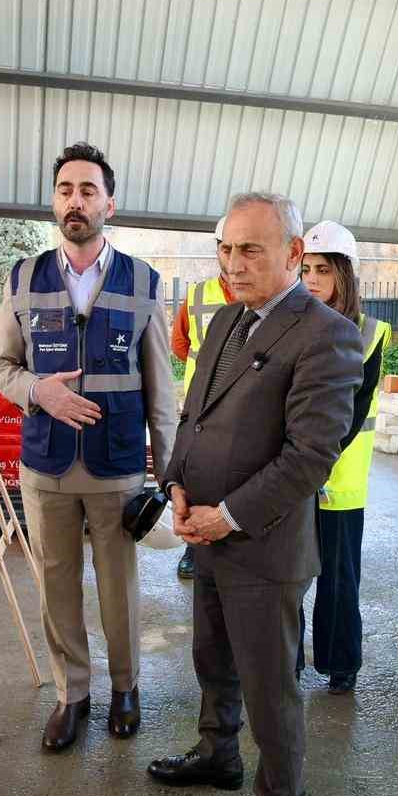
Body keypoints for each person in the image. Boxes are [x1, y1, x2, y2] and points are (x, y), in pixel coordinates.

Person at [147, 192, 362, 796]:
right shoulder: (226, 320)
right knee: (212, 658)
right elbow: (194, 415)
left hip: (261, 548)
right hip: (204, 531)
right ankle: (217, 753)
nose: (232, 264)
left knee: (273, 696)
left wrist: (228, 515)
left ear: (294, 254)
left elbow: (310, 457)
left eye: (250, 250)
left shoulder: (325, 334)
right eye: (226, 249)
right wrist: (177, 485)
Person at [0, 141, 177, 752]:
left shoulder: (144, 283)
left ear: (109, 204)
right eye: (66, 190)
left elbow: (162, 392)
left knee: (119, 586)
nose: (76, 201)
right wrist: (40, 389)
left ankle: (125, 688)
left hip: (117, 466)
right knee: (55, 584)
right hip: (46, 467)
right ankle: (73, 694)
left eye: (88, 190)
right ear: (53, 202)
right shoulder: (23, 279)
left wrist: (170, 480)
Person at [298, 220, 388, 695]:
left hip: (339, 479)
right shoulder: (288, 323)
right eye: (307, 269)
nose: (312, 279)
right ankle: (287, 658)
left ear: (345, 276)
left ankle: (341, 663)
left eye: (324, 270)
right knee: (288, 575)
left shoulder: (370, 333)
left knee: (338, 579)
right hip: (291, 477)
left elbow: (353, 411)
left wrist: (310, 461)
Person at [170, 215, 236, 581]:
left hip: (241, 409)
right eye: (225, 248)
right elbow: (181, 346)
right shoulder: (197, 296)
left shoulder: (261, 293)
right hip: (201, 409)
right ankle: (193, 551)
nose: (232, 258)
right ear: (217, 251)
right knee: (196, 479)